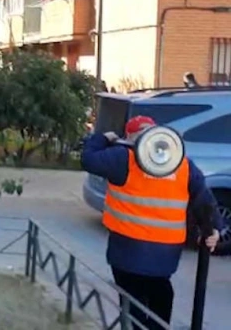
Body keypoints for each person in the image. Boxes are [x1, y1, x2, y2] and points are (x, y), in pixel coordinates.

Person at [81, 116, 224, 329]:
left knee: (133, 307)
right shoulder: (182, 163)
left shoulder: (123, 158)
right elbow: (204, 198)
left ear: (129, 137)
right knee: (161, 299)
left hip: (126, 254)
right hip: (165, 257)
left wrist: (103, 138)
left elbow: (88, 159)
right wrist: (214, 228)